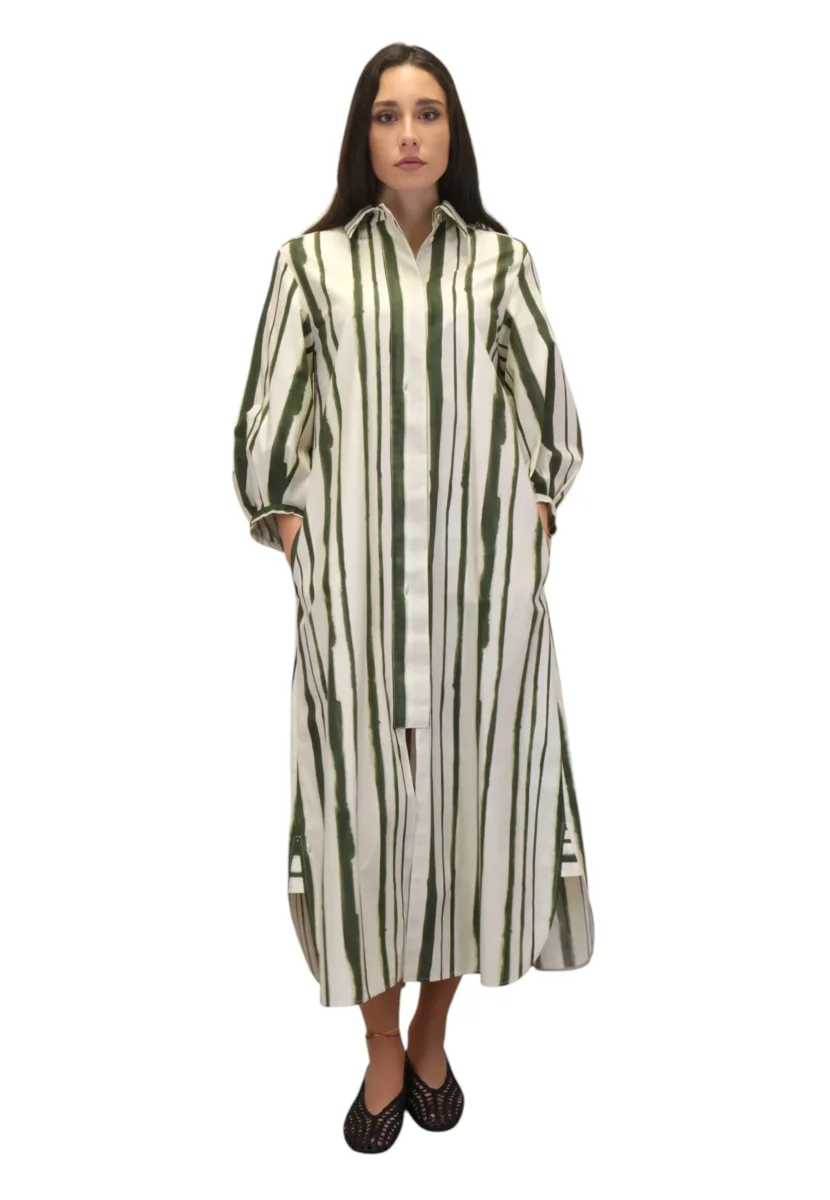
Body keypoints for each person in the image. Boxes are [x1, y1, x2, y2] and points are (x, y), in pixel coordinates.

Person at [232, 41, 596, 1153]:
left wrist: (536, 511)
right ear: (364, 134)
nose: (407, 133)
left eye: (427, 113)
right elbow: (265, 427)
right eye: (388, 114)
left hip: (483, 609)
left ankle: (434, 1032)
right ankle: (380, 1044)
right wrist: (294, 532)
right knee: (365, 828)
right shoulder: (309, 265)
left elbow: (552, 418)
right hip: (355, 610)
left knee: (469, 817)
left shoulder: (499, 262)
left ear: (451, 133)